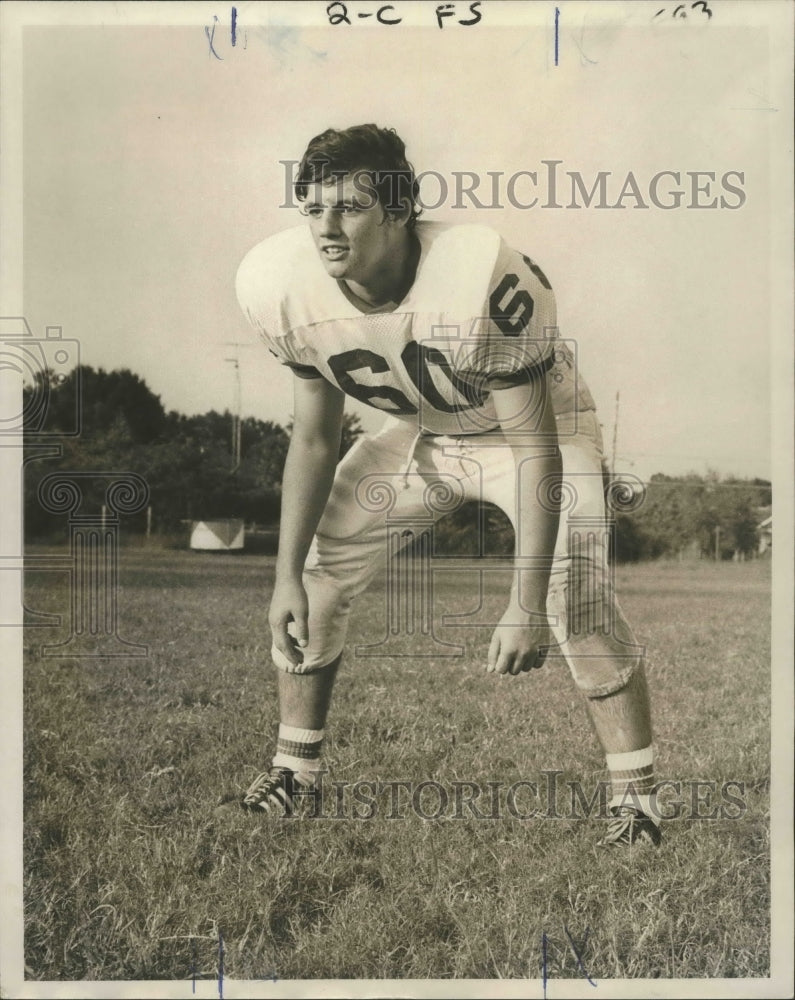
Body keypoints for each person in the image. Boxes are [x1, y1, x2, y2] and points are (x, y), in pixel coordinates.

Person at [233, 124, 660, 846]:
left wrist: (522, 605)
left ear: (399, 211)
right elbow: (312, 435)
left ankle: (637, 803)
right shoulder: (282, 286)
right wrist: (281, 578)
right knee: (317, 573)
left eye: (349, 207)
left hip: (537, 436)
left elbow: (532, 450)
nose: (326, 228)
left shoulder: (475, 272)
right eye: (312, 207)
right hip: (427, 433)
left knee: (572, 592)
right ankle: (294, 772)